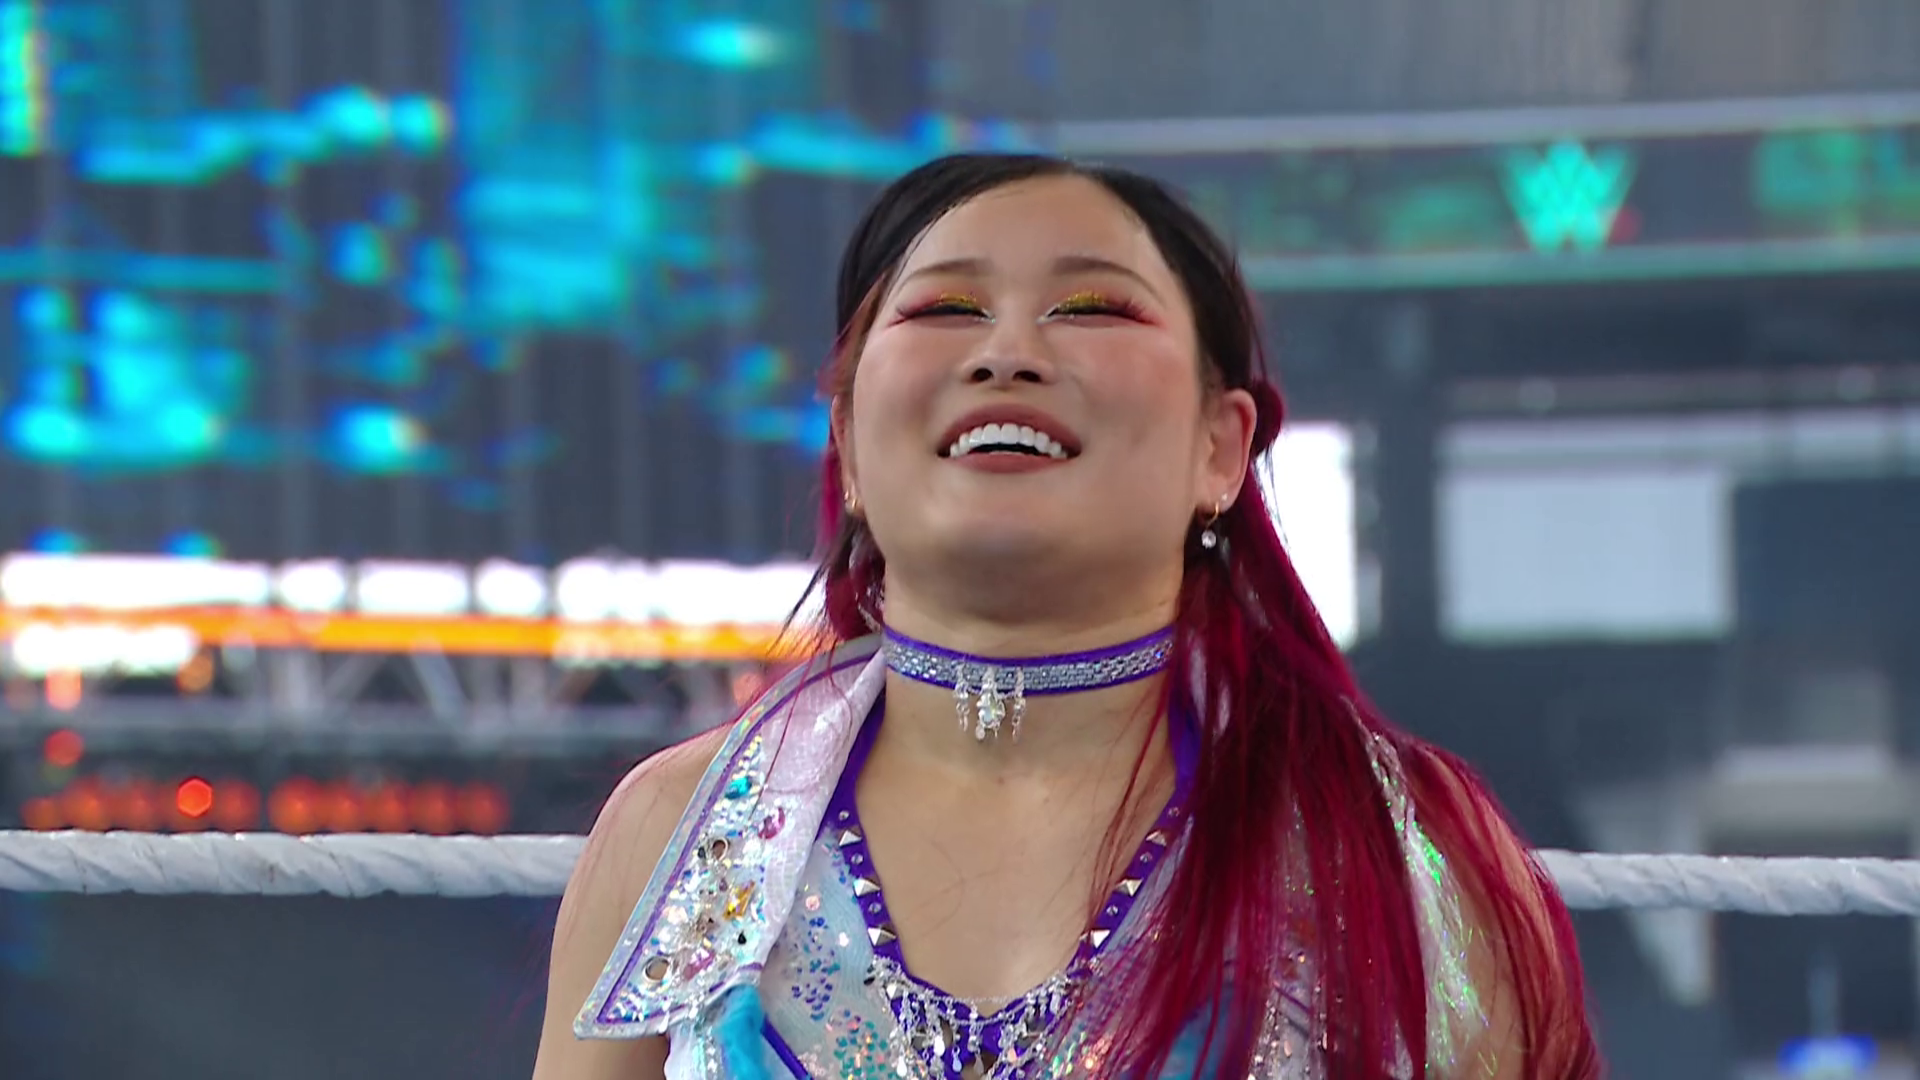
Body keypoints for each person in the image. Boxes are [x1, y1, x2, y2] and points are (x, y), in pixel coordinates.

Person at [532, 153, 1602, 1080]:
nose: (1007, 353)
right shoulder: (676, 833)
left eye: (1093, 309)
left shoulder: (1397, 852)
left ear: (1220, 449)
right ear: (848, 445)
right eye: (945, 310)